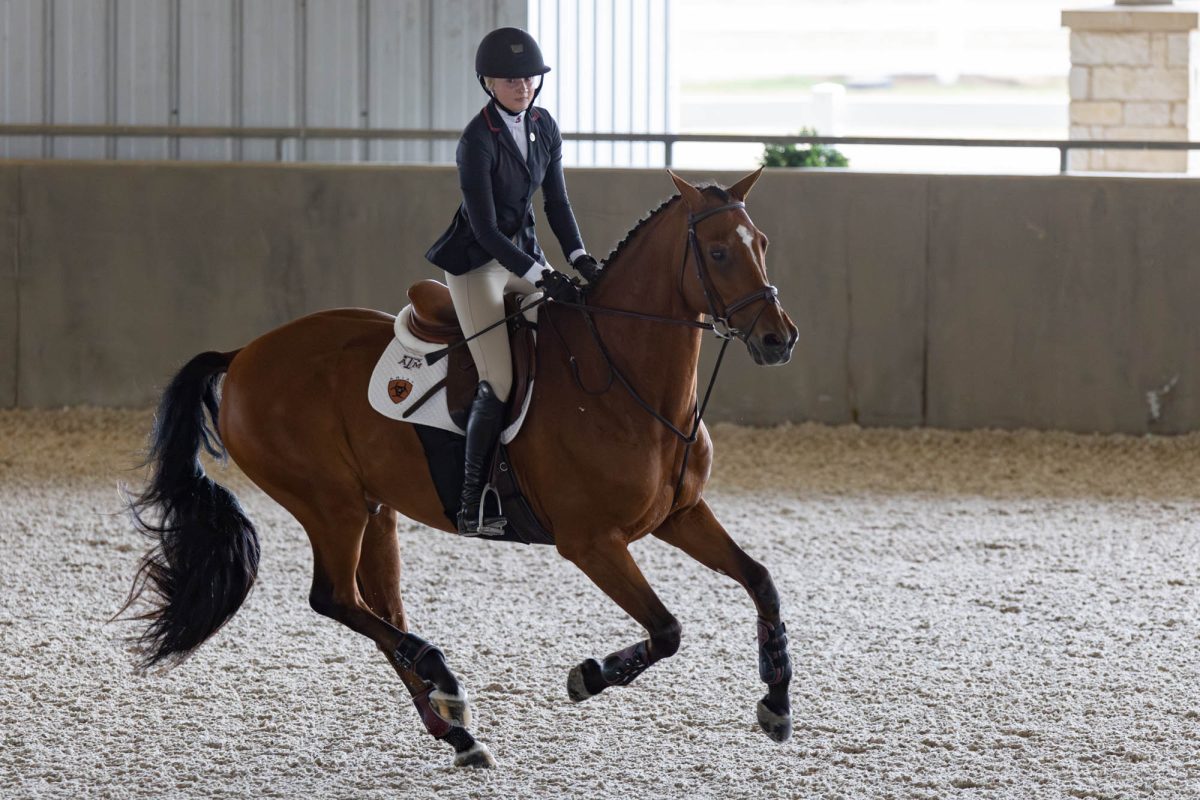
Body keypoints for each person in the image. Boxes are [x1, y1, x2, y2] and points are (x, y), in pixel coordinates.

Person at [426, 27, 599, 537]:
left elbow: (557, 203)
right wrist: (541, 274)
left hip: (525, 256)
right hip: (479, 264)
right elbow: (484, 229)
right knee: (497, 379)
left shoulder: (544, 126)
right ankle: (472, 499)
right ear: (487, 82)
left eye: (528, 77)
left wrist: (580, 258)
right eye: (509, 79)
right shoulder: (476, 140)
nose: (522, 85)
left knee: (571, 332)